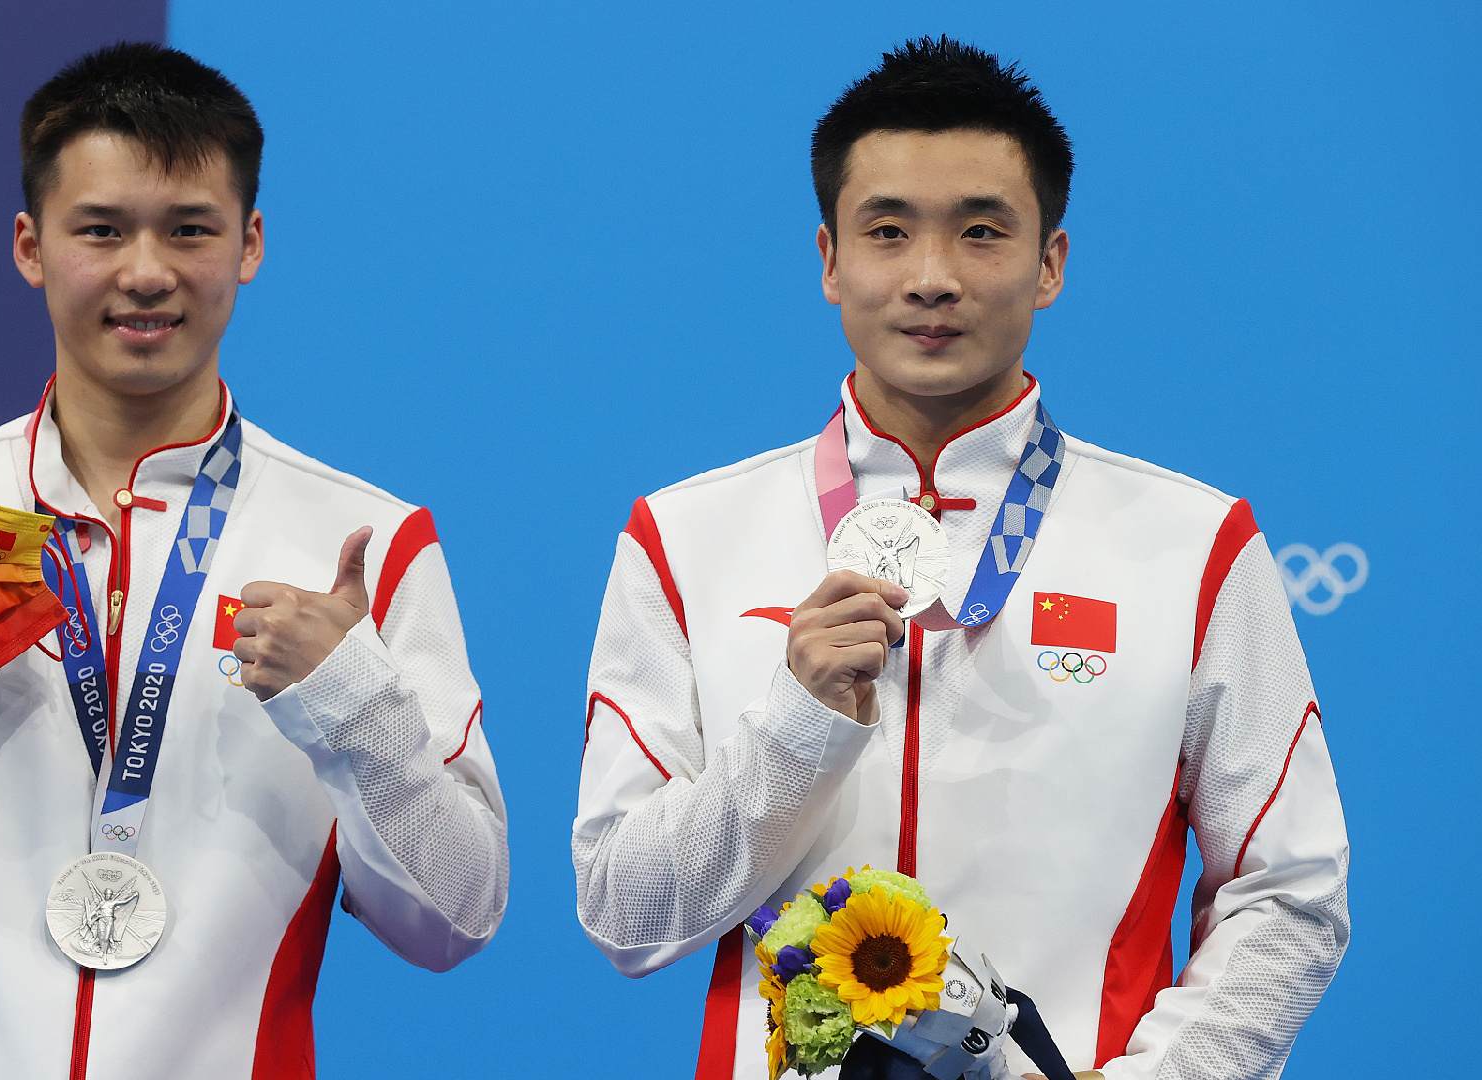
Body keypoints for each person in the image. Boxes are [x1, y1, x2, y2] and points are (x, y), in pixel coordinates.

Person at [573, 37, 1347, 1079]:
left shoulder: (1194, 546)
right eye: (887, 231)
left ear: (1050, 263)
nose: (932, 277)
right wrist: (794, 730)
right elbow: (627, 913)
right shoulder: (687, 536)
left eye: (982, 231)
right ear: (830, 261)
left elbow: (1289, 894)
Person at [0, 43, 508, 1079]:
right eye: (100, 230)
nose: (146, 272)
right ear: (30, 245)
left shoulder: (362, 545)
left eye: (190, 229)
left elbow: (457, 918)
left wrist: (354, 704)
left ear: (250, 244)